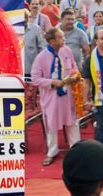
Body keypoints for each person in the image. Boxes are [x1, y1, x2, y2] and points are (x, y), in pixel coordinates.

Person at [31, 28, 82, 166]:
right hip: (51, 97)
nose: (64, 39)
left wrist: (75, 74)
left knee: (72, 121)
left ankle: (76, 150)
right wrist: (52, 82)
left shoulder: (67, 51)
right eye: (60, 37)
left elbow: (73, 66)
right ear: (52, 41)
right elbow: (35, 79)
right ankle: (52, 151)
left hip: (68, 94)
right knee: (52, 124)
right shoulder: (41, 57)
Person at [24, 10, 45, 77]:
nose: (24, 20)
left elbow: (41, 48)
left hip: (32, 69)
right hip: (18, 70)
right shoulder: (14, 30)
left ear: (29, 18)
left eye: (26, 17)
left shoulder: (36, 29)